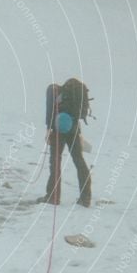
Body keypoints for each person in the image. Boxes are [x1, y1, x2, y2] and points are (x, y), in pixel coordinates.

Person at [40, 78, 92, 207]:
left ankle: (53, 197)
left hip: (58, 130)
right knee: (79, 160)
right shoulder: (72, 96)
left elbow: (50, 113)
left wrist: (49, 130)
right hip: (73, 128)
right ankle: (85, 198)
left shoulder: (52, 92)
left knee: (55, 162)